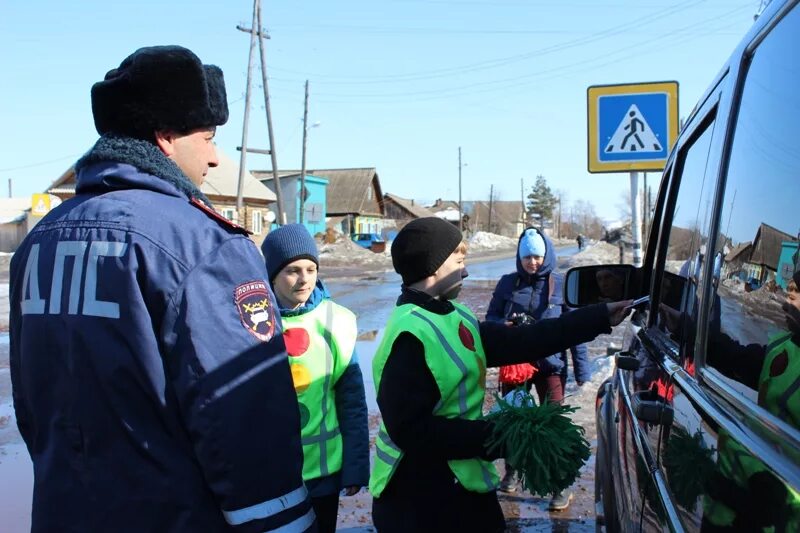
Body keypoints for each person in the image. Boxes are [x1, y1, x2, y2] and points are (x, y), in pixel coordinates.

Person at [9, 46, 313, 532]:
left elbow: (33, 404)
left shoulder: (39, 241)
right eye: (209, 138)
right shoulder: (203, 246)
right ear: (166, 137)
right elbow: (245, 415)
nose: (215, 158)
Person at [369, 217, 632, 532]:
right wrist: (502, 436)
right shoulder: (409, 334)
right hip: (418, 501)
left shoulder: (456, 315)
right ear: (434, 266)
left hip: (461, 487)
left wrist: (599, 317)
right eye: (459, 261)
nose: (465, 271)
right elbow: (412, 431)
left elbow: (524, 340)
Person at [261, 224, 369, 533]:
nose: (305, 278)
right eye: (293, 270)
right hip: (273, 474)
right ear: (272, 275)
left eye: (311, 268)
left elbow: (352, 401)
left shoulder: (336, 320)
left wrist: (355, 468)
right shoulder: (254, 324)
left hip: (324, 475)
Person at [486, 227, 590, 509]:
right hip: (515, 365)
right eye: (527, 256)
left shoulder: (560, 284)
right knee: (513, 421)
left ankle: (560, 484)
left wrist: (583, 371)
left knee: (554, 425)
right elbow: (491, 318)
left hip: (550, 365)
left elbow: (574, 329)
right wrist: (505, 325)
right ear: (520, 257)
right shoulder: (508, 284)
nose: (532, 261)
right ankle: (512, 472)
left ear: (547, 256)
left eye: (537, 256)